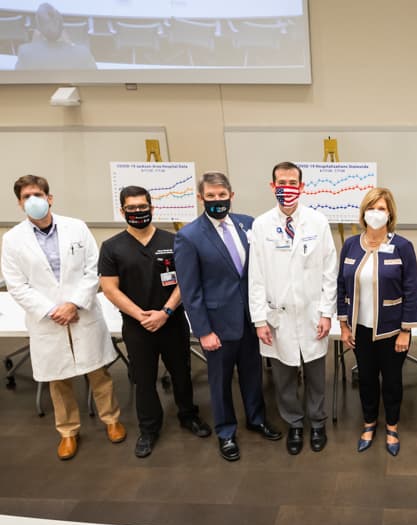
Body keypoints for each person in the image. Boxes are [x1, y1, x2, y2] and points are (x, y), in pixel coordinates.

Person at [1, 174, 126, 460]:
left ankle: (112, 419)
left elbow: (93, 269)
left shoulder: (76, 228)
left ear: (49, 198)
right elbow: (16, 285)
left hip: (81, 311)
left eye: (37, 194)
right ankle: (68, 431)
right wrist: (50, 310)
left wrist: (73, 304)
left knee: (99, 373)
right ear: (19, 204)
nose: (33, 201)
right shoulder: (12, 240)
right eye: (26, 197)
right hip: (47, 319)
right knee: (58, 380)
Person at [174, 171, 282, 462]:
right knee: (220, 381)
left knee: (252, 373)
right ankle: (226, 432)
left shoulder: (249, 224)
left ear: (231, 195)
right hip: (217, 325)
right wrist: (203, 331)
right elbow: (190, 290)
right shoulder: (188, 236)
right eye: (210, 196)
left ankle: (256, 418)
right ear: (201, 198)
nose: (217, 201)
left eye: (222, 196)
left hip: (251, 318)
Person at [99, 185, 212, 458]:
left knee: (181, 372)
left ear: (152, 207)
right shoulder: (112, 247)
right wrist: (141, 316)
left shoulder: (174, 240)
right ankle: (149, 429)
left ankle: (188, 415)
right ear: (123, 210)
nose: (138, 212)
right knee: (143, 378)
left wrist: (166, 312)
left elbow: (187, 280)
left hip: (171, 321)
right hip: (137, 327)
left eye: (142, 207)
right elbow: (110, 288)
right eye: (132, 208)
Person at [249, 162, 337, 455]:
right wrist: (259, 319)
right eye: (281, 182)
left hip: (313, 314)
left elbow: (329, 271)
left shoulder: (317, 222)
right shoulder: (261, 225)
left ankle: (318, 422)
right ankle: (295, 424)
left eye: (292, 182)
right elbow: (256, 277)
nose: (287, 187)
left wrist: (326, 312)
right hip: (278, 317)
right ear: (272, 186)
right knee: (283, 377)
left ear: (301, 186)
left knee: (315, 375)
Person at [337, 188, 417, 456]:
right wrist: (344, 325)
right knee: (367, 379)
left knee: (393, 381)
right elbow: (341, 286)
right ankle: (369, 422)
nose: (376, 213)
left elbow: (412, 290)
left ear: (390, 214)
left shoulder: (403, 247)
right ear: (363, 212)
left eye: (382, 208)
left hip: (392, 331)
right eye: (372, 208)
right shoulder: (350, 245)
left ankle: (393, 426)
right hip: (360, 330)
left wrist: (406, 331)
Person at [15, 3, 97, 71]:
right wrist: (70, 45)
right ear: (62, 28)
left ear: (39, 30)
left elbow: (18, 81)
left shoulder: (25, 52)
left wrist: (33, 46)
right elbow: (95, 79)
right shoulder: (82, 53)